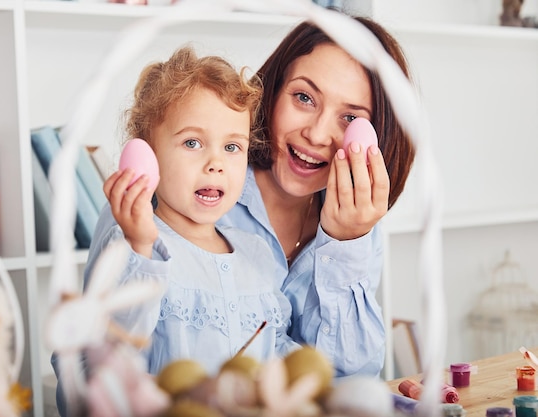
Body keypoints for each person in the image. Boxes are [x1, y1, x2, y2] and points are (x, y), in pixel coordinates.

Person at [83, 15, 416, 381]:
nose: (317, 134)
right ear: (271, 94)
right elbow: (87, 384)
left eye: (350, 118)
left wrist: (345, 243)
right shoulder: (140, 215)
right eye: (304, 97)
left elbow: (348, 379)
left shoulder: (355, 226)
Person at [83, 45, 300, 376]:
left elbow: (276, 347)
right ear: (147, 154)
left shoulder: (256, 254)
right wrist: (141, 248)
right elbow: (98, 366)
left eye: (231, 147)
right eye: (192, 143)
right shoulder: (133, 245)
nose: (215, 164)